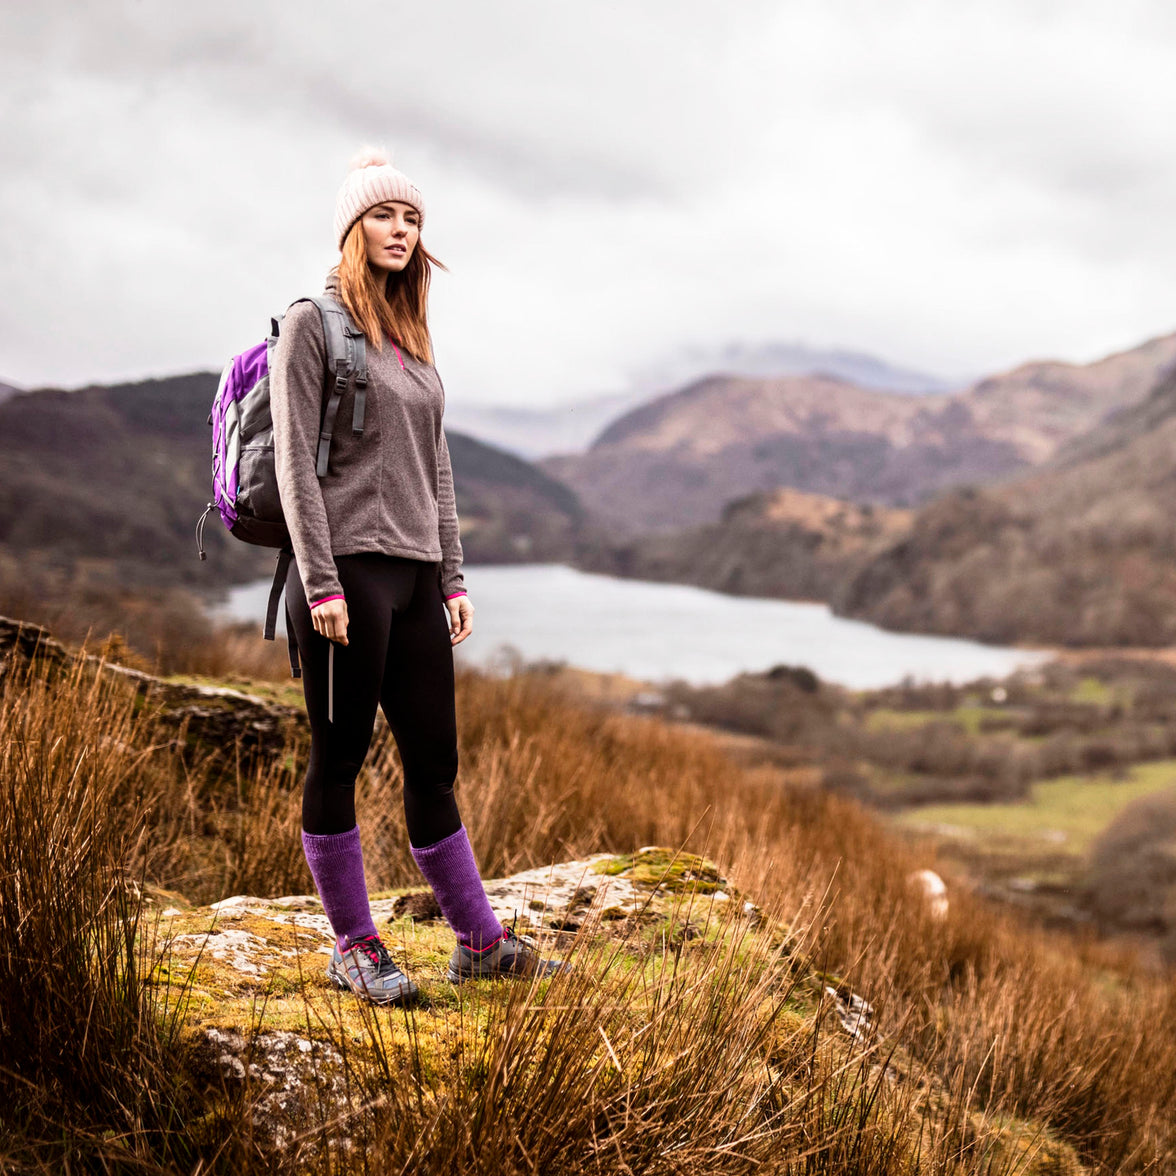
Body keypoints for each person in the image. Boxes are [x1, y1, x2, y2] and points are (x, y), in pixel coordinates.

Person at [271, 147, 562, 1004]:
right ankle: (355, 947)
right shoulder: (310, 324)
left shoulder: (410, 338)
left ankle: (479, 942)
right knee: (340, 757)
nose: (400, 231)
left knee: (435, 764)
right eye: (385, 216)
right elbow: (293, 462)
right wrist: (320, 583)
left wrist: (454, 576)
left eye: (413, 219)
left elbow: (435, 465)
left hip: (414, 579)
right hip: (344, 580)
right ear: (352, 228)